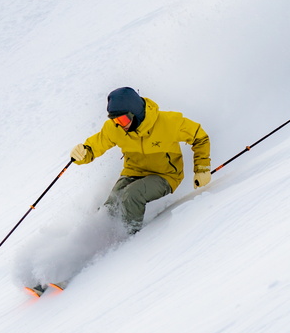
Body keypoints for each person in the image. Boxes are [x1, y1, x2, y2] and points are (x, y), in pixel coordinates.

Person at [70, 87, 211, 235]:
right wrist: (83, 153)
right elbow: (94, 147)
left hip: (165, 175)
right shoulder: (115, 128)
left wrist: (202, 169)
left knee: (131, 195)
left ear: (135, 113)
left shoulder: (169, 122)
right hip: (133, 172)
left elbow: (200, 137)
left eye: (122, 119)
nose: (119, 125)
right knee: (111, 204)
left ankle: (130, 237)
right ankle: (97, 238)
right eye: (115, 120)